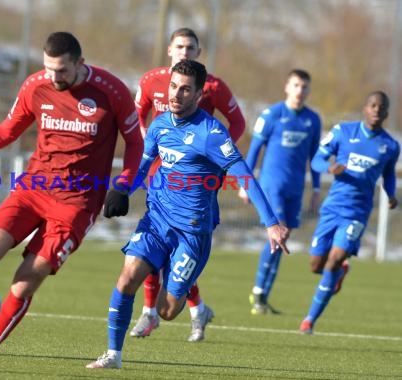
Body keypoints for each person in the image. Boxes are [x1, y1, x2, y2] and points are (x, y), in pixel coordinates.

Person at [0, 31, 144, 373]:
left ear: (80, 64)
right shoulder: (35, 86)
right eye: (48, 69)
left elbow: (134, 142)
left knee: (25, 281)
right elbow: (8, 130)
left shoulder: (111, 91)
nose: (54, 77)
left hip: (76, 204)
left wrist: (123, 186)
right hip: (32, 189)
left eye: (62, 71)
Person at [86, 59, 289, 370]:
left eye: (185, 90)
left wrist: (271, 222)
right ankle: (113, 354)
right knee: (127, 279)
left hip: (192, 231)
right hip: (157, 219)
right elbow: (144, 164)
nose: (175, 95)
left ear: (198, 94)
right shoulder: (160, 125)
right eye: (173, 87)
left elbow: (245, 175)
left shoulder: (211, 133)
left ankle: (197, 305)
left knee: (167, 310)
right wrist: (123, 188)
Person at [131, 27, 247, 342]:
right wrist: (146, 145)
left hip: (195, 179)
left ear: (198, 53)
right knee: (154, 246)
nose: (185, 51)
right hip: (159, 173)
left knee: (175, 249)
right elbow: (136, 114)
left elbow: (238, 122)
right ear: (169, 49)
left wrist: (220, 156)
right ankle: (155, 311)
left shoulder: (213, 86)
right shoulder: (150, 80)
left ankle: (182, 310)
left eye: (191, 47)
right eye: (180, 46)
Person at [299, 91, 399, 334]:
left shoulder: (390, 146)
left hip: (358, 212)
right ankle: (340, 272)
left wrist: (391, 194)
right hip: (332, 208)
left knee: (333, 260)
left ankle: (309, 321)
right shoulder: (343, 132)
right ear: (365, 108)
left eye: (381, 107)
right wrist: (329, 167)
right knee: (316, 265)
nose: (377, 110)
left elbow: (388, 175)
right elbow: (317, 160)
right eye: (373, 105)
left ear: (386, 112)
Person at [238, 69, 322, 315]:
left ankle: (262, 296)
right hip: (271, 185)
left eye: (304, 86)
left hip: (296, 188)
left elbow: (315, 157)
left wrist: (316, 189)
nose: (300, 91)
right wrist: (245, 183)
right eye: (296, 85)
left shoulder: (312, 120)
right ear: (287, 87)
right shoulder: (272, 114)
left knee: (282, 240)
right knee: (279, 234)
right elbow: (254, 151)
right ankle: (258, 292)